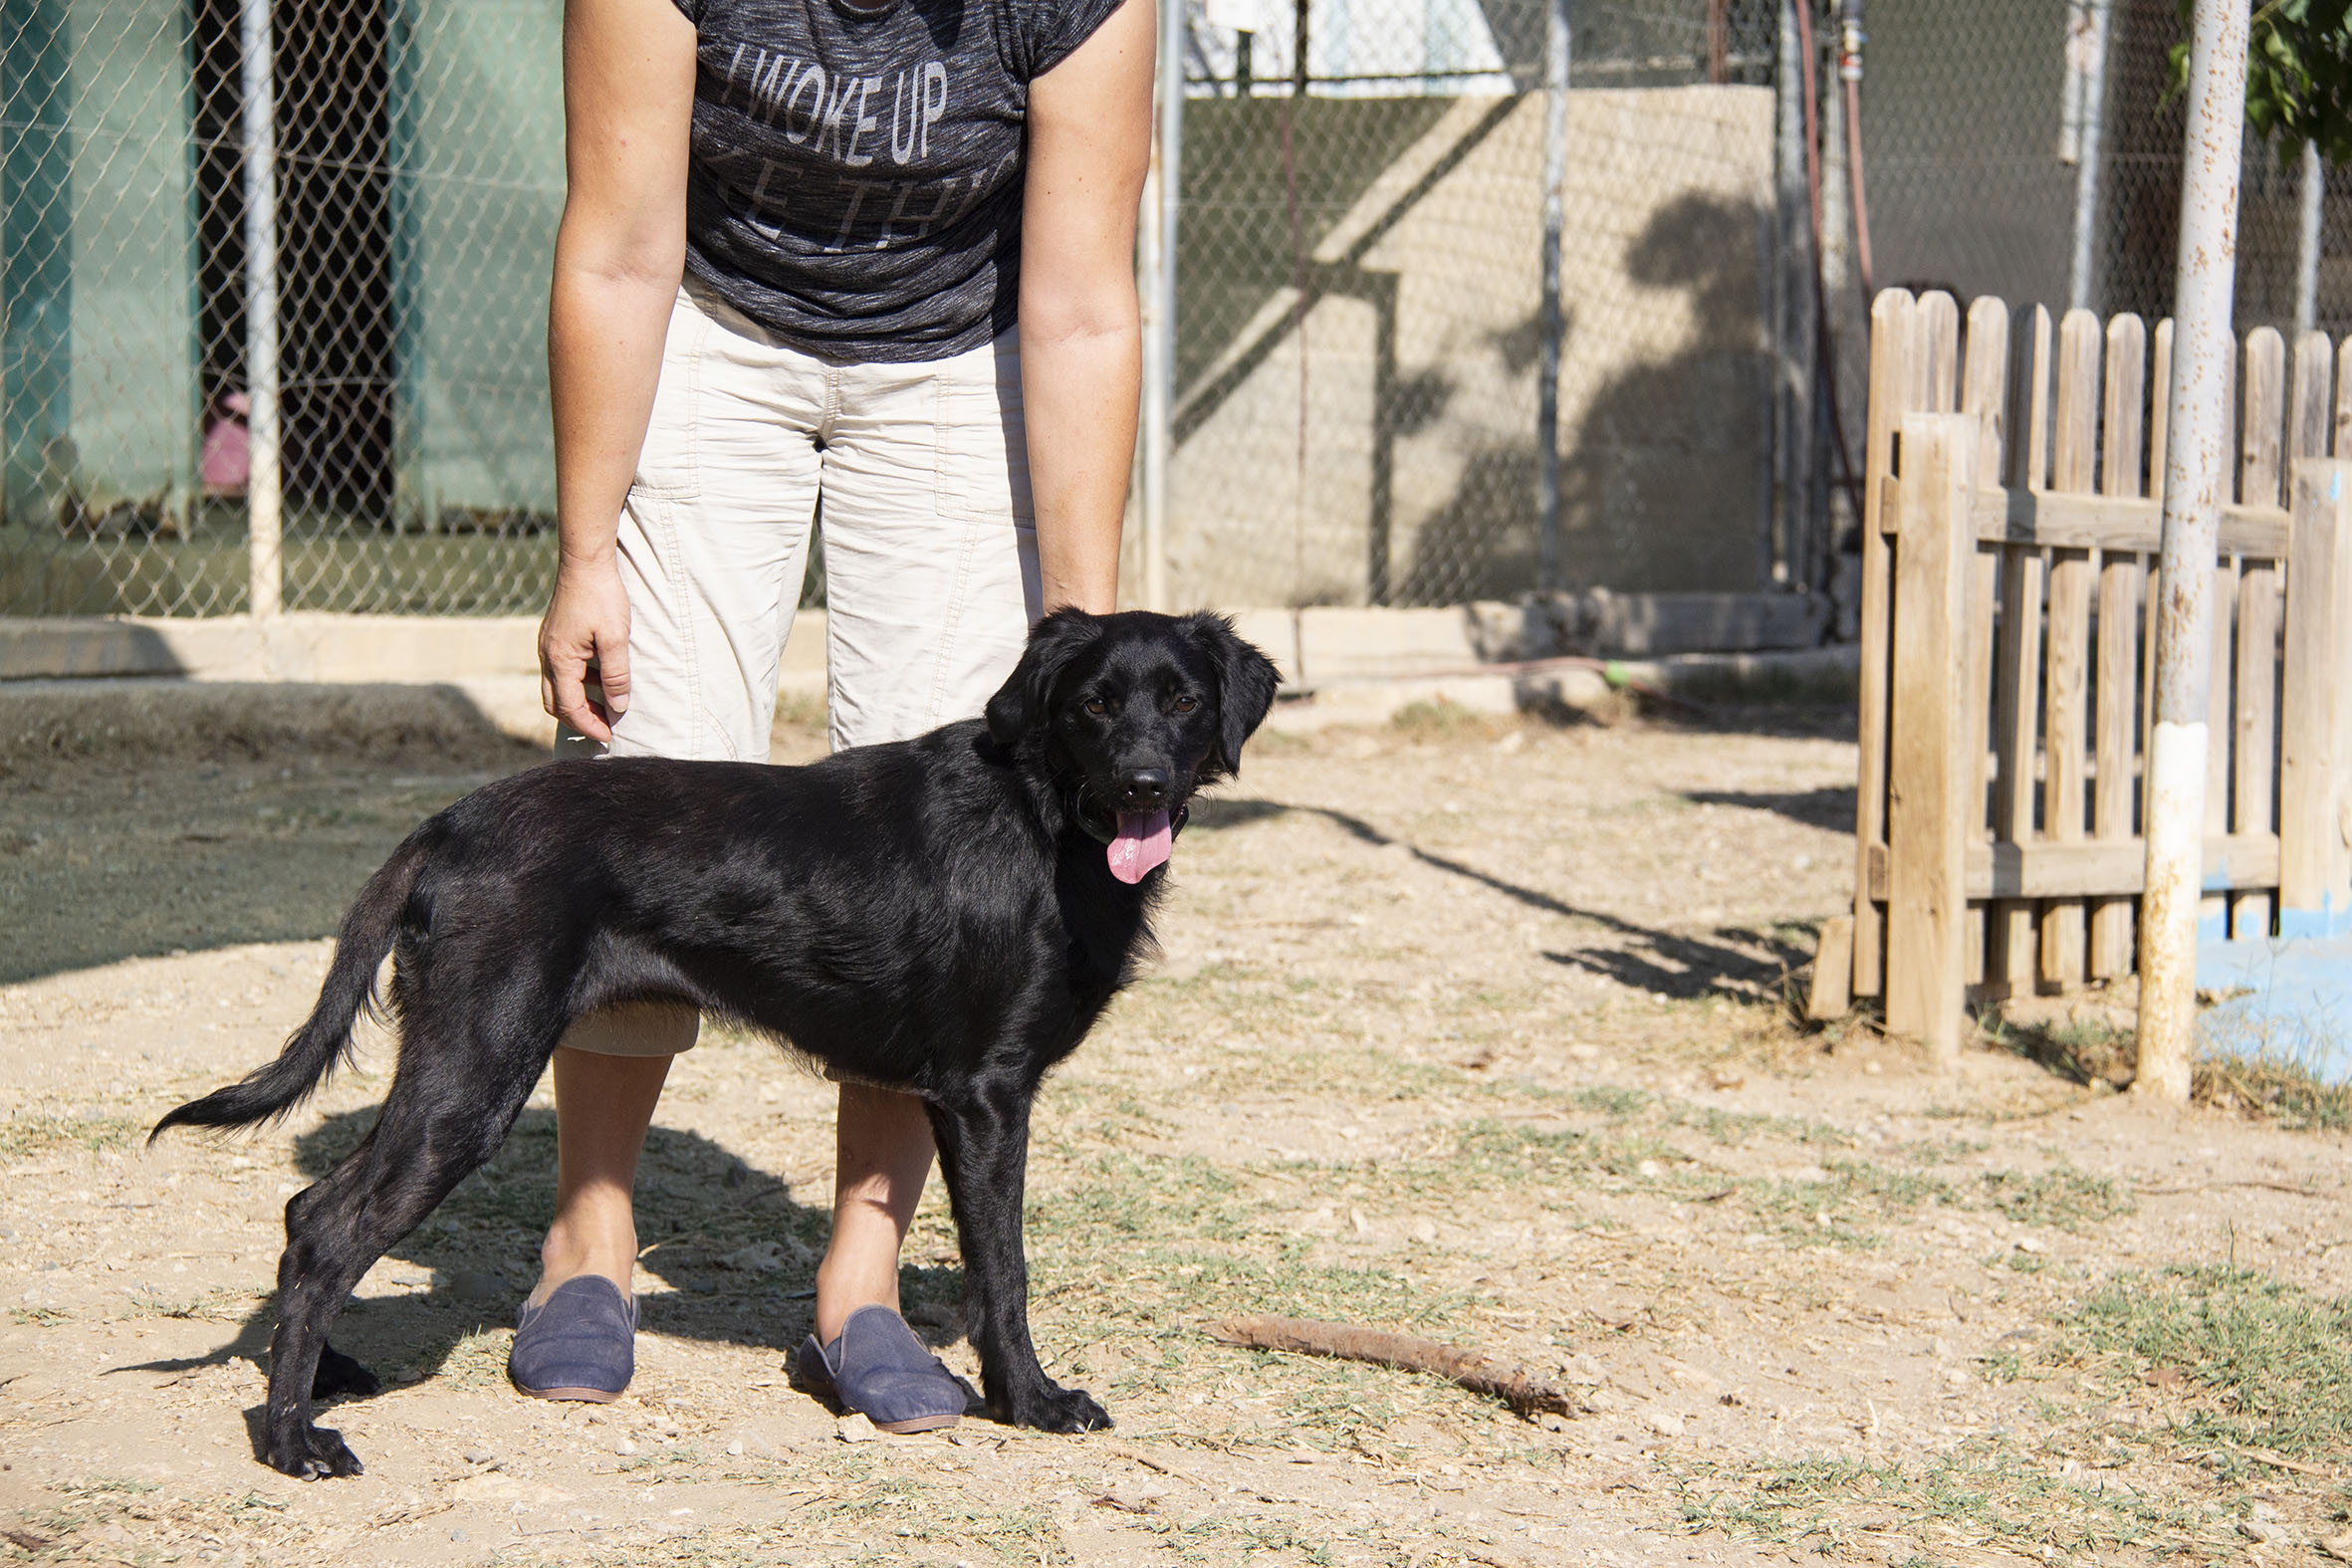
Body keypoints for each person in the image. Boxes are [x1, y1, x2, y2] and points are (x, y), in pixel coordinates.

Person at [512, 0, 1152, 1431]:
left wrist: (1082, 645)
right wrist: (587, 553)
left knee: (954, 857)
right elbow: (619, 247)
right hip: (707, 332)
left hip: (959, 360)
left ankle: (861, 1286)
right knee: (646, 780)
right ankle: (589, 1237)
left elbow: (1081, 303)